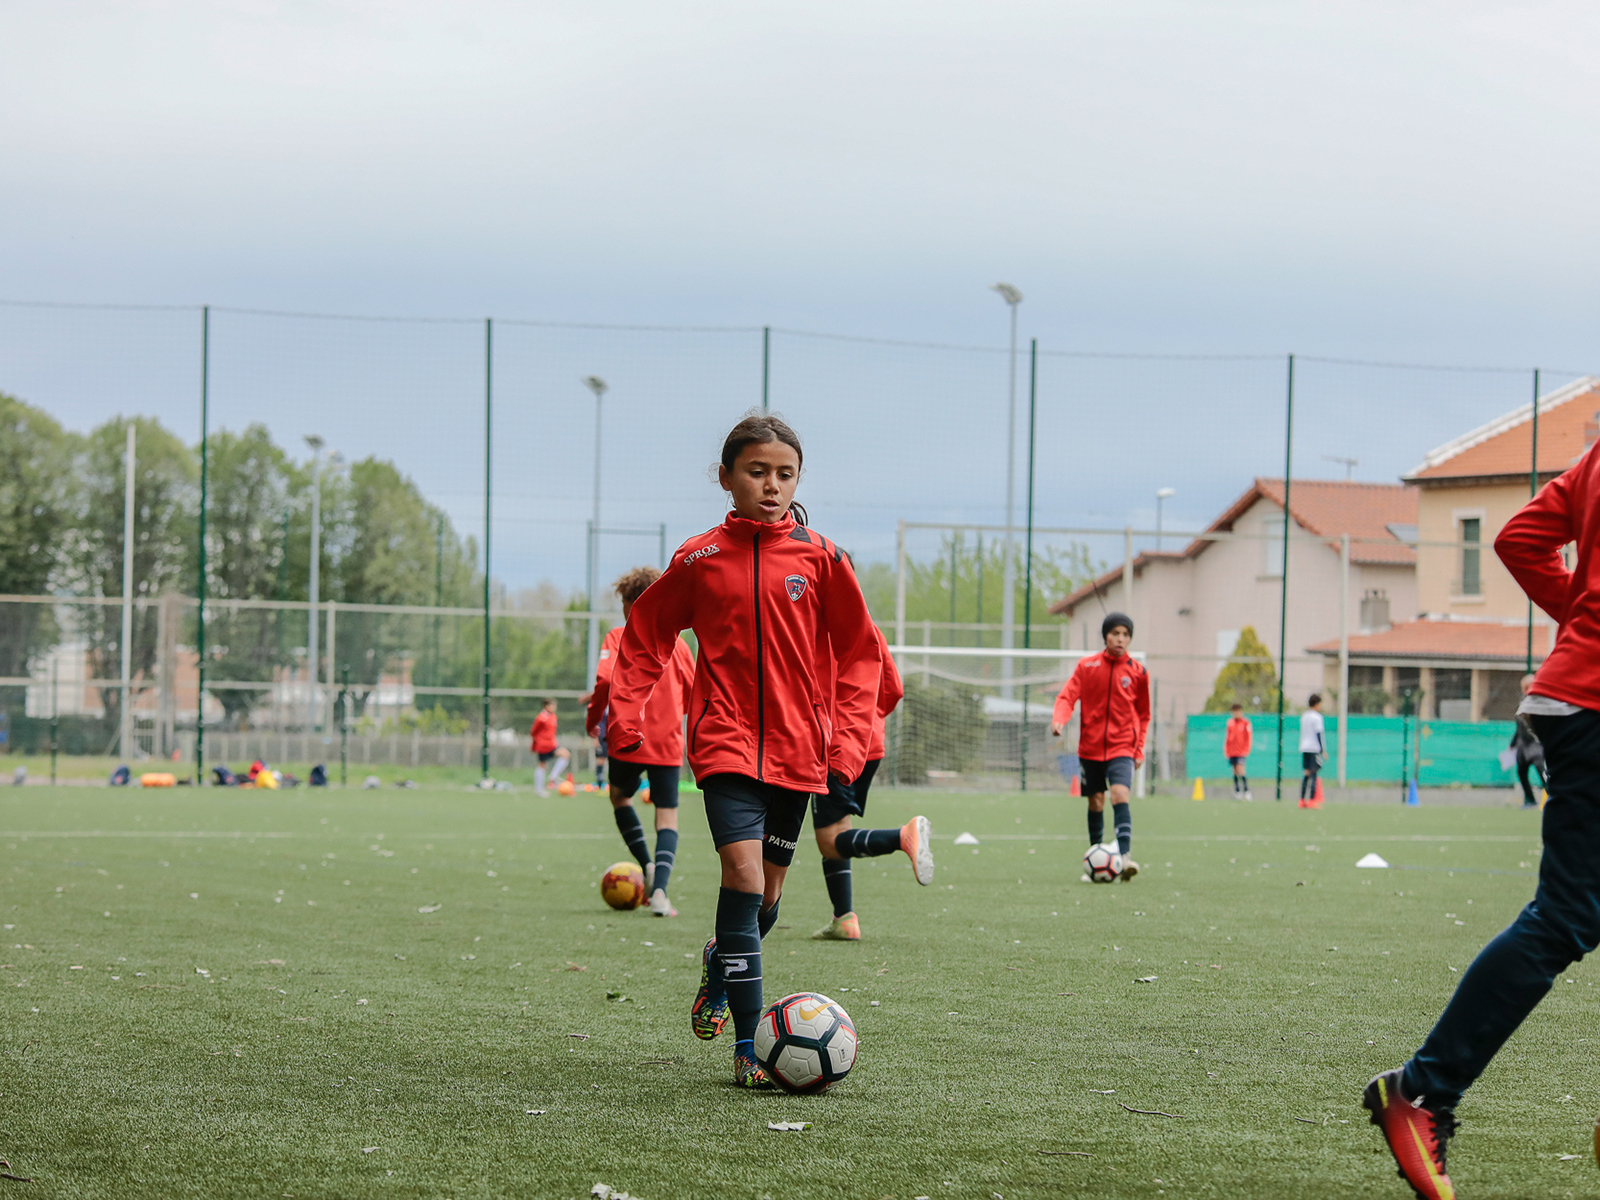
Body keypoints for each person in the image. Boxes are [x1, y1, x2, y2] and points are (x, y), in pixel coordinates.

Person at [606, 411, 881, 1089]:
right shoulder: (698, 559)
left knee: (767, 904)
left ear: (798, 481)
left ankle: (719, 961)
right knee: (745, 877)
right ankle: (750, 1049)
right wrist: (627, 714)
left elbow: (860, 654)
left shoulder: (823, 559)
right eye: (756, 471)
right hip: (725, 744)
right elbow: (646, 636)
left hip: (798, 752)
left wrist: (848, 738)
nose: (771, 485)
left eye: (784, 474)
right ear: (726, 476)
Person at [1364, 434, 1600, 1200]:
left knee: (1572, 911)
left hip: (1575, 692)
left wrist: (1582, 616)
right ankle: (1424, 1090)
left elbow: (1516, 537)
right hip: (1594, 704)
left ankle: (1426, 1087)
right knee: (1566, 915)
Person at [812, 618, 932, 941]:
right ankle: (844, 918)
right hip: (870, 743)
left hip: (834, 742)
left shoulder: (812, 625)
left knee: (829, 842)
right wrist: (872, 719)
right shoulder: (868, 626)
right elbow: (894, 689)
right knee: (839, 826)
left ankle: (902, 837)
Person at [588, 566, 696, 917]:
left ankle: (646, 864)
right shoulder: (678, 645)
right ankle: (661, 893)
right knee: (667, 818)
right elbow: (696, 695)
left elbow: (604, 683)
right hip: (667, 743)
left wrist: (594, 720)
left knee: (620, 796)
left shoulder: (618, 637)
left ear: (630, 603)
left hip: (626, 738)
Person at [1051, 612, 1150, 880]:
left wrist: (1138, 748)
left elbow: (1143, 714)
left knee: (1119, 794)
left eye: (1125, 634)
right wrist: (1059, 720)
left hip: (1122, 747)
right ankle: (1095, 855)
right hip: (1090, 748)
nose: (1120, 639)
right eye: (1115, 633)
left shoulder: (1138, 672)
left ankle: (1125, 857)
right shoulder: (1087, 667)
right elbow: (1067, 697)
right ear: (1106, 636)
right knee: (1096, 801)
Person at [1510, 673, 1545, 809]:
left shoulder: (1539, 702)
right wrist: (1513, 743)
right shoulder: (1522, 702)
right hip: (1522, 746)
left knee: (1542, 772)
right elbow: (1519, 726)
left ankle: (1552, 797)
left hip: (1536, 745)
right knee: (1521, 773)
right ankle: (1530, 800)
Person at [530, 699, 571, 797]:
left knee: (566, 755)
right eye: (552, 705)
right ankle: (539, 790)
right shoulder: (541, 718)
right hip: (543, 745)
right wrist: (535, 745)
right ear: (546, 706)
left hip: (552, 744)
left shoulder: (553, 716)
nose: (554, 708)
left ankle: (553, 776)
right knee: (542, 765)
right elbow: (533, 732)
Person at [1299, 694, 1325, 808]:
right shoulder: (1317, 717)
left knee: (1306, 774)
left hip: (1304, 748)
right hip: (1314, 748)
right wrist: (1322, 750)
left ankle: (1301, 800)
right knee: (1314, 774)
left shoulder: (1304, 716)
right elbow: (1318, 734)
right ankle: (1311, 800)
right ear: (1316, 704)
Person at [1224, 702, 1252, 800]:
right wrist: (1227, 750)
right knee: (1235, 771)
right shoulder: (1230, 723)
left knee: (1241, 770)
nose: (1236, 713)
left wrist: (1246, 749)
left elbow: (1248, 737)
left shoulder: (1245, 723)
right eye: (1234, 711)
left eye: (1238, 711)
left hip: (1241, 752)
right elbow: (1228, 738)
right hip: (1232, 752)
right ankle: (1237, 792)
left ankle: (1246, 791)